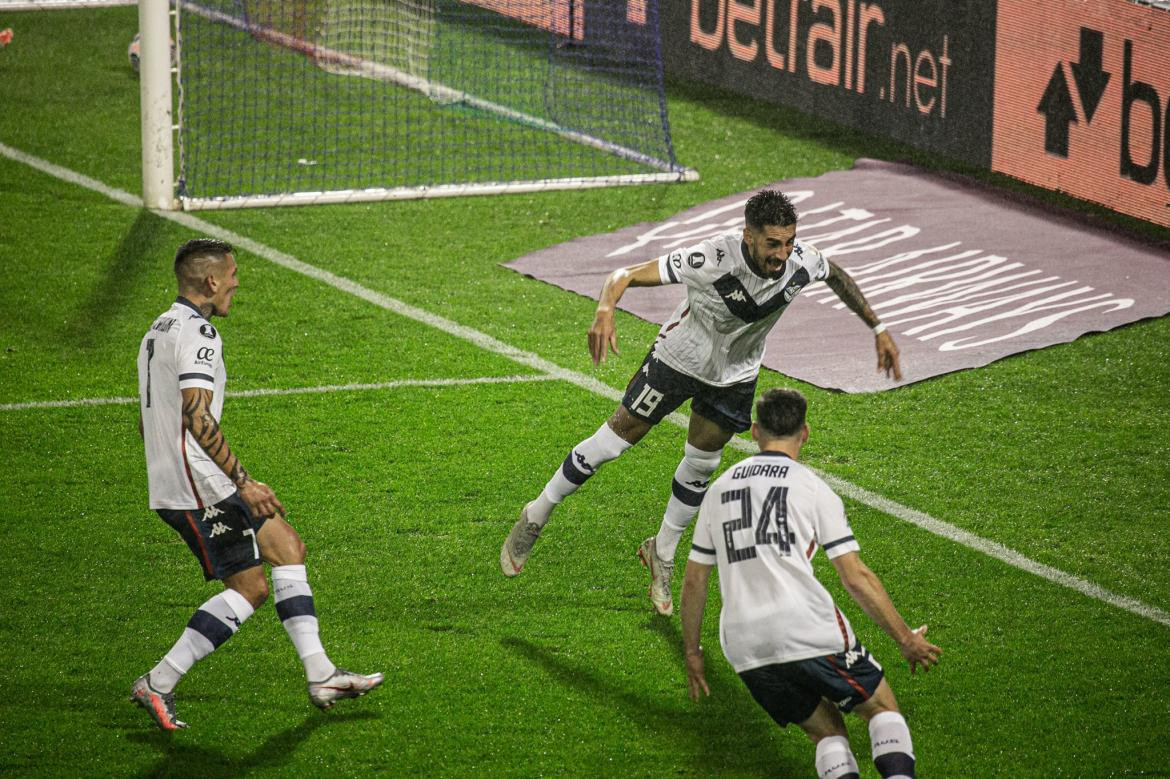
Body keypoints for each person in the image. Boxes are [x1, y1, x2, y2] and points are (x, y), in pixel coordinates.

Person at [500, 190, 901, 615]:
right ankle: (537, 513)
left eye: (788, 242)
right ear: (749, 236)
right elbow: (624, 274)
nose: (782, 254)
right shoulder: (710, 258)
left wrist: (878, 328)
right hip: (679, 360)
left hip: (735, 376)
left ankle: (663, 552)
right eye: (772, 244)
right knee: (612, 443)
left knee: (702, 465)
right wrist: (604, 308)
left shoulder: (801, 261)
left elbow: (836, 275)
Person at [131, 238, 382, 730]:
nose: (236, 284)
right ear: (210, 281)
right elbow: (198, 417)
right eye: (232, 276)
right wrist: (241, 482)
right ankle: (158, 682)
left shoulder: (157, 328)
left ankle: (322, 675)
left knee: (288, 548)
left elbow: (148, 418)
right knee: (248, 589)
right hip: (197, 486)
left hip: (181, 473)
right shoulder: (200, 332)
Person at [680, 388, 940, 779]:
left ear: (754, 431)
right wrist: (906, 639)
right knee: (881, 709)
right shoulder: (812, 487)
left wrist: (693, 652)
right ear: (805, 433)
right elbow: (855, 577)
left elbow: (694, 580)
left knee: (827, 733)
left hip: (746, 646)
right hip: (806, 628)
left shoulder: (718, 491)